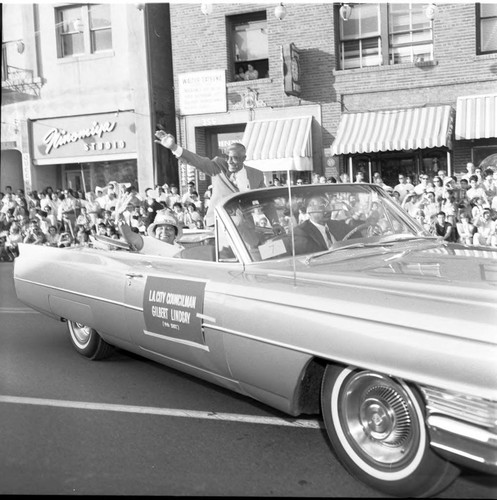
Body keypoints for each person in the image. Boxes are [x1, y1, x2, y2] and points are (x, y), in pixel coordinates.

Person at [156, 130, 265, 226]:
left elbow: (266, 201)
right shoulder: (218, 167)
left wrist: (275, 223)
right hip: (220, 223)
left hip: (245, 226)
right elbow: (197, 161)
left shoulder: (256, 175)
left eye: (235, 158)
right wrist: (174, 147)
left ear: (244, 158)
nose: (229, 162)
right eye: (227, 157)